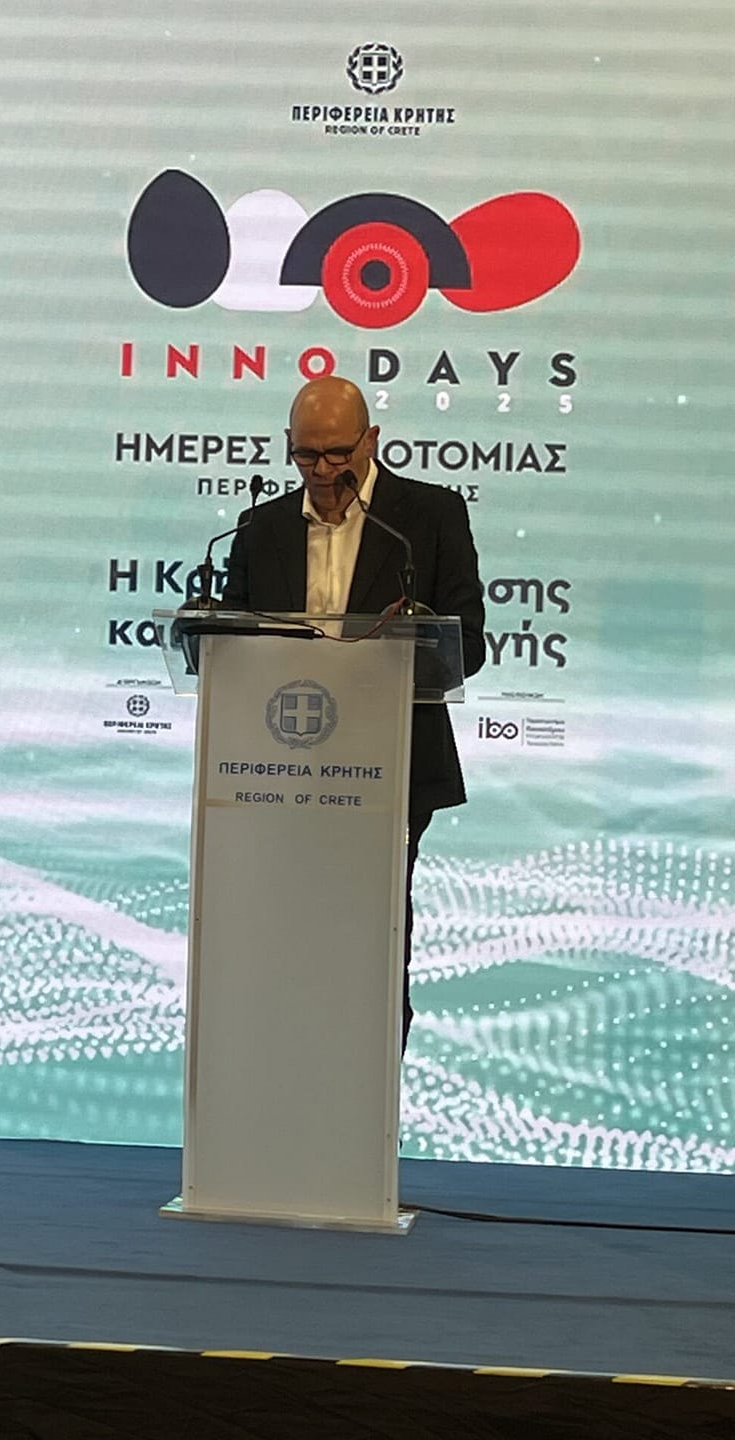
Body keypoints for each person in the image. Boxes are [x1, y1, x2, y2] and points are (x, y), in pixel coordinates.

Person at [222, 375, 486, 1046]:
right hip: (274, 770)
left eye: (338, 453)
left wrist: (413, 635)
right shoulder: (260, 528)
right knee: (281, 924)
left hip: (389, 764)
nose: (322, 470)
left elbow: (470, 643)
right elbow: (231, 643)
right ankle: (279, 1056)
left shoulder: (428, 517)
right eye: (306, 455)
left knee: (372, 927)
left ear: (371, 441)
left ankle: (371, 1071)